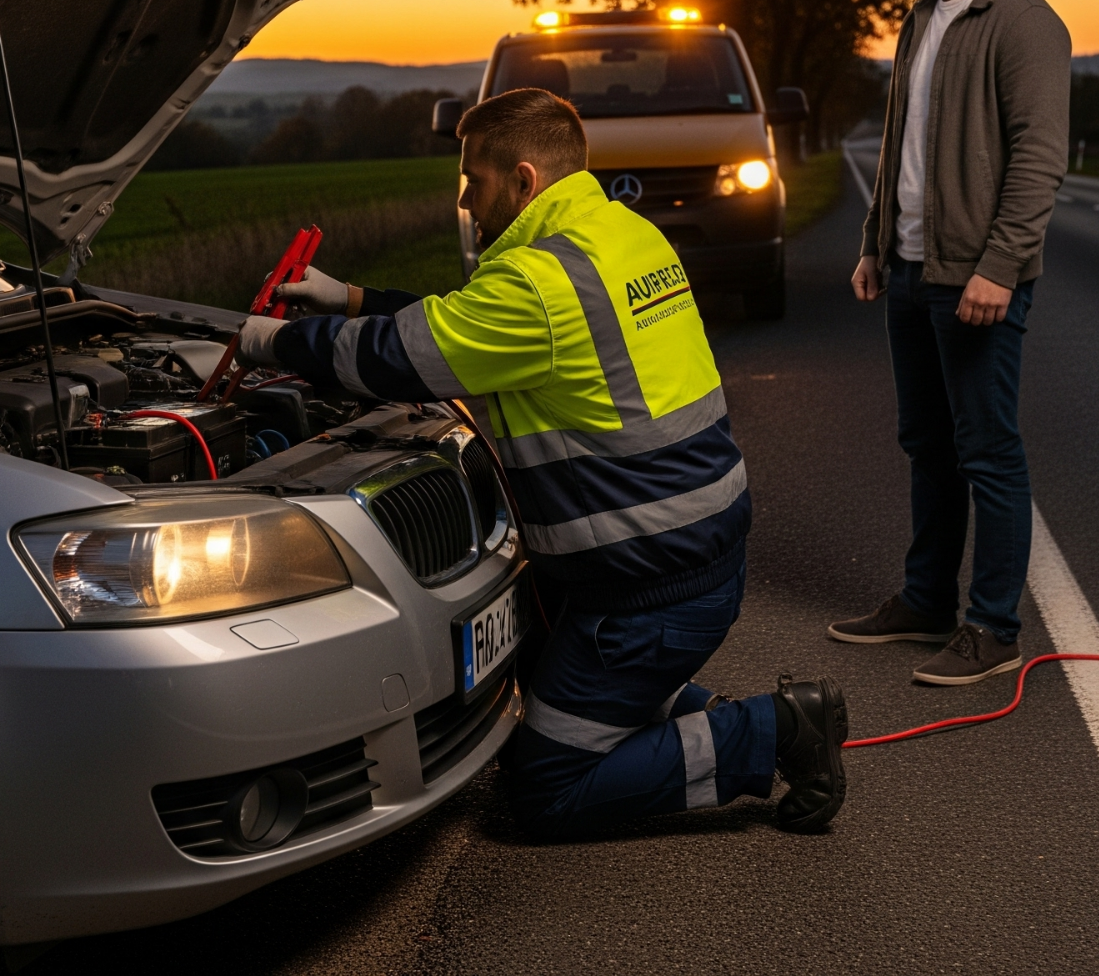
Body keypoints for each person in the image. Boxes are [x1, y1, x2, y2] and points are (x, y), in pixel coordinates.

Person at [237, 87, 848, 837]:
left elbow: (405, 353)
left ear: (524, 181)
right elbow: (464, 326)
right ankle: (690, 713)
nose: (464, 200)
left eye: (475, 180)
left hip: (647, 598)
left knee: (544, 787)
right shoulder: (619, 236)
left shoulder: (538, 284)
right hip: (690, 557)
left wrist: (268, 341)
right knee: (567, 700)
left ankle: (775, 733)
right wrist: (351, 296)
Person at [834, 0, 1071, 684]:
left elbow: (1040, 159)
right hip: (908, 268)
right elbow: (902, 142)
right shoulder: (919, 18)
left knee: (987, 449)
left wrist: (1000, 266)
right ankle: (925, 600)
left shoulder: (1025, 23)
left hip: (976, 278)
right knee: (926, 444)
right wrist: (873, 242)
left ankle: (995, 629)